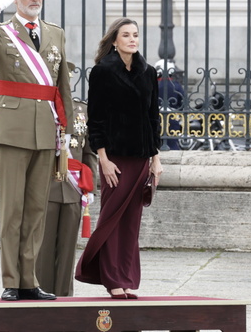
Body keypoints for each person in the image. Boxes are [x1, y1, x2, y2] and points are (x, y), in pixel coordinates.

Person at [0, 0, 73, 301]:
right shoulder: (1, 33)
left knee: (36, 209)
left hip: (45, 130)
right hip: (12, 129)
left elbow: (62, 86)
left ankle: (30, 280)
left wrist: (65, 132)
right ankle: (12, 279)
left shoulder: (55, 33)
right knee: (11, 209)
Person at [74, 18, 163, 299]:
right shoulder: (102, 72)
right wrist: (102, 158)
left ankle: (125, 278)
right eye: (126, 35)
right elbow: (95, 119)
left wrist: (156, 158)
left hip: (141, 158)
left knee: (131, 221)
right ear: (114, 40)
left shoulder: (148, 73)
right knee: (112, 218)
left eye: (135, 35)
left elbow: (152, 118)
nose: (132, 40)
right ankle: (109, 276)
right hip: (114, 158)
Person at [36, 97, 97, 297]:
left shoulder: (82, 109)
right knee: (44, 248)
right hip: (47, 186)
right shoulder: (43, 106)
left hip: (74, 188)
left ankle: (64, 296)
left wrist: (91, 188)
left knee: (68, 249)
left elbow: (89, 153)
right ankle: (42, 293)